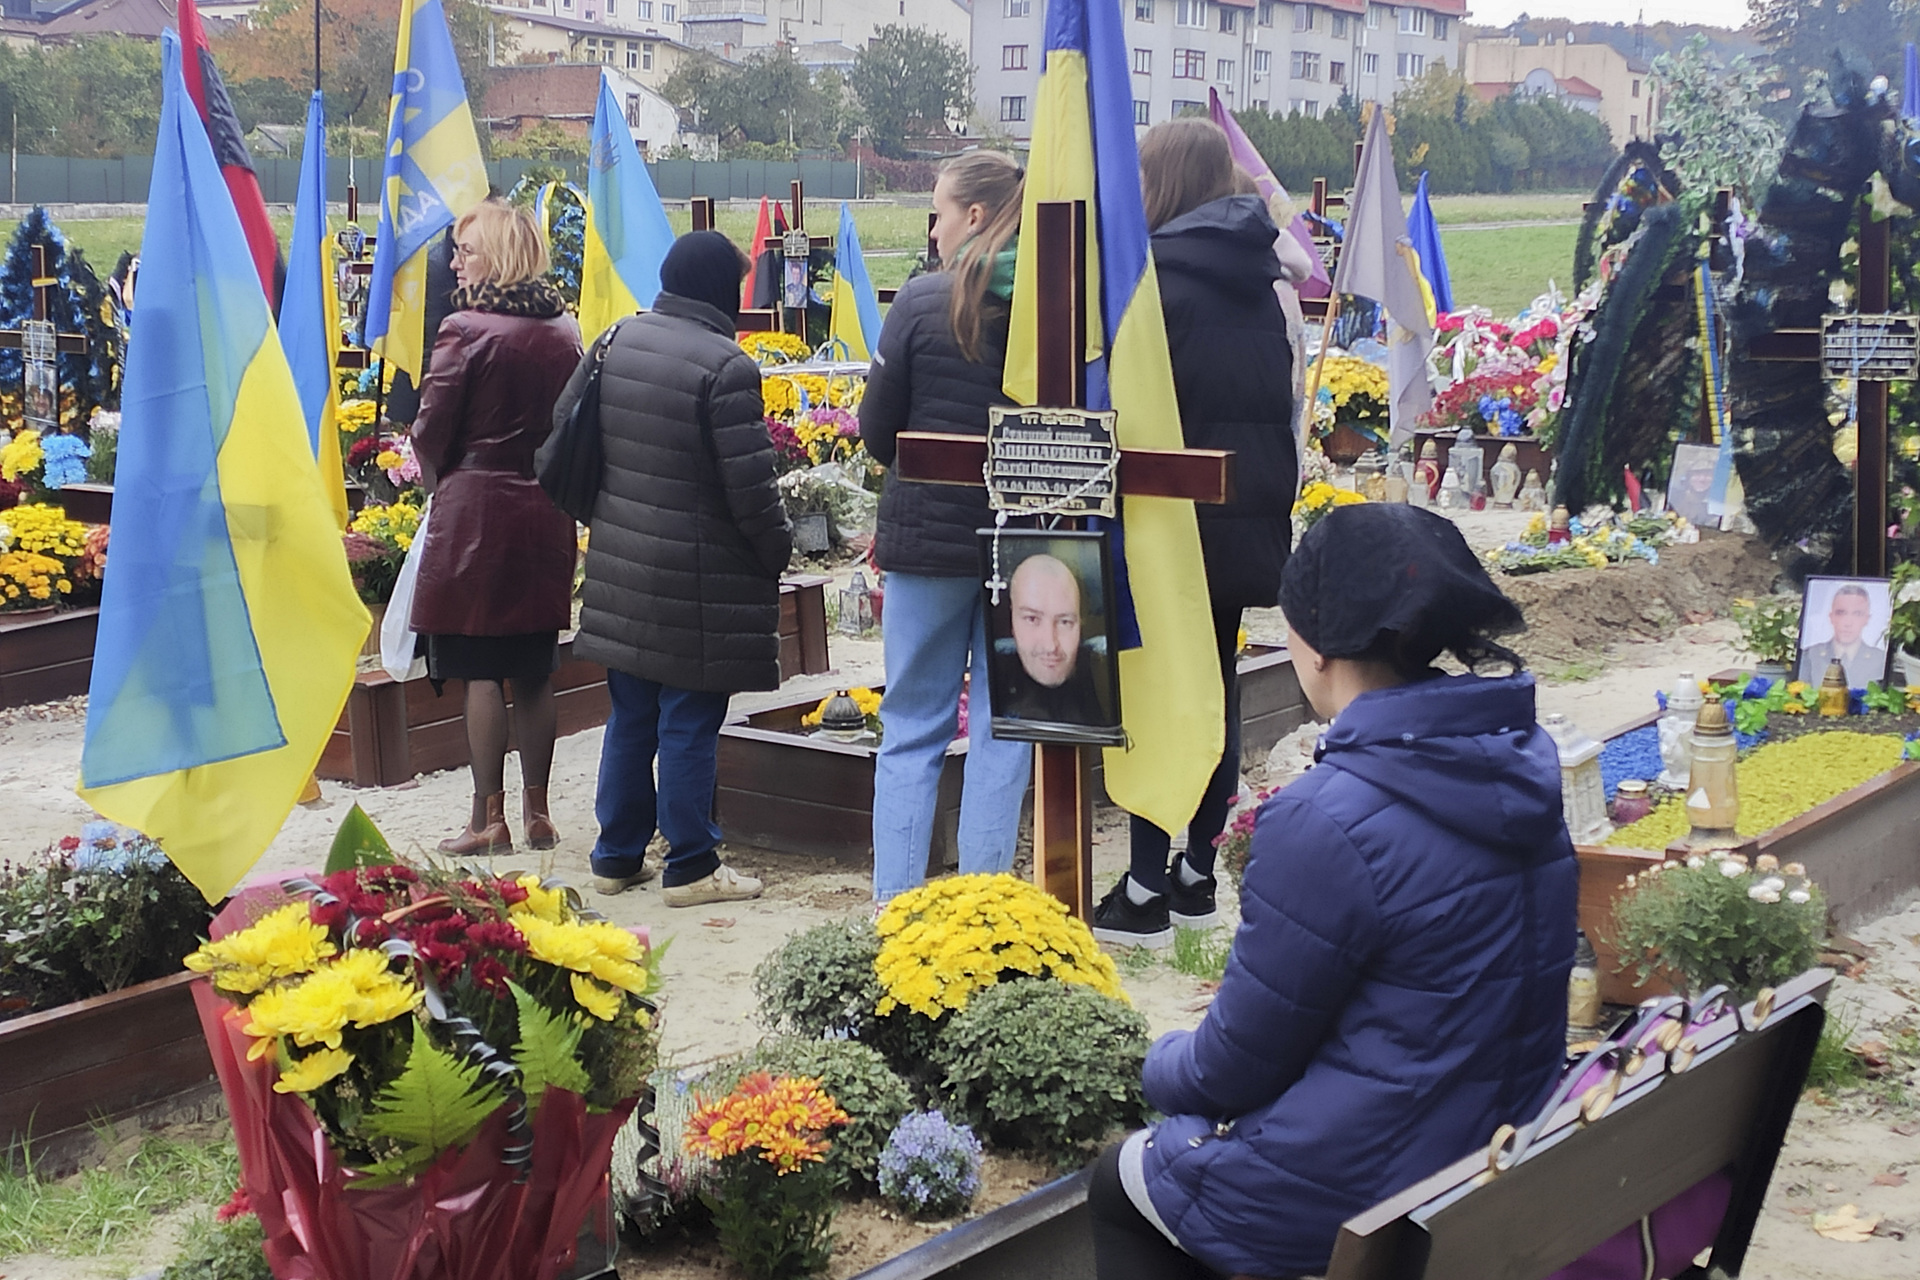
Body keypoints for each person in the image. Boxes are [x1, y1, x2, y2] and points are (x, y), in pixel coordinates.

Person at [1087, 503, 1579, 1280]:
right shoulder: (1518, 766)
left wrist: (1155, 1062)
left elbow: (1231, 1070)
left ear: (1314, 646)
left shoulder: (1327, 820)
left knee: (1125, 1178)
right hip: (1496, 1162)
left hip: (1365, 1196)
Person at [1091, 117, 1299, 948]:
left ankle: (1143, 885)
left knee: (1154, 691)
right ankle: (1196, 873)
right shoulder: (1263, 278)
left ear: (1161, 183)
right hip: (1243, 510)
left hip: (1166, 518)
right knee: (1216, 688)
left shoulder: (1152, 281)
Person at [563, 230, 792, 907]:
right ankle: (692, 865)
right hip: (697, 578)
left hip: (622, 566)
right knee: (689, 717)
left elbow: (565, 434)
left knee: (631, 713)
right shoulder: (726, 366)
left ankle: (615, 856)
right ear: (720, 288)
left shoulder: (617, 340)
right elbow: (751, 488)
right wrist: (777, 549)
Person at [858, 151, 1034, 903]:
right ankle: (984, 909)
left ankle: (896, 910)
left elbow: (877, 429)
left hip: (927, 542)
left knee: (912, 726)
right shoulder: (1054, 303)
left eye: (938, 213)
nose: (932, 230)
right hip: (1025, 547)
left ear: (975, 215)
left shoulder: (921, 301)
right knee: (1004, 726)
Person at [409, 200, 582, 855]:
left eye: (467, 251)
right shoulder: (565, 329)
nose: (455, 262)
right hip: (543, 511)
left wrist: (436, 480)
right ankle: (539, 814)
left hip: (476, 512)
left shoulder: (464, 328)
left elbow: (431, 429)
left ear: (498, 258)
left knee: (480, 668)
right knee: (534, 667)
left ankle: (488, 820)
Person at [993, 552, 1113, 728]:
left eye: (1065, 622)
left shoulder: (1103, 677)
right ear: (1011, 620)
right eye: (1032, 619)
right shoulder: (993, 676)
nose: (1050, 645)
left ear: (1081, 623)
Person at [1798, 582, 1888, 687]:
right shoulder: (1811, 655)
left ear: (1866, 619)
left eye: (1857, 614)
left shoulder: (1880, 660)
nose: (1848, 623)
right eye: (1841, 613)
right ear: (1831, 617)